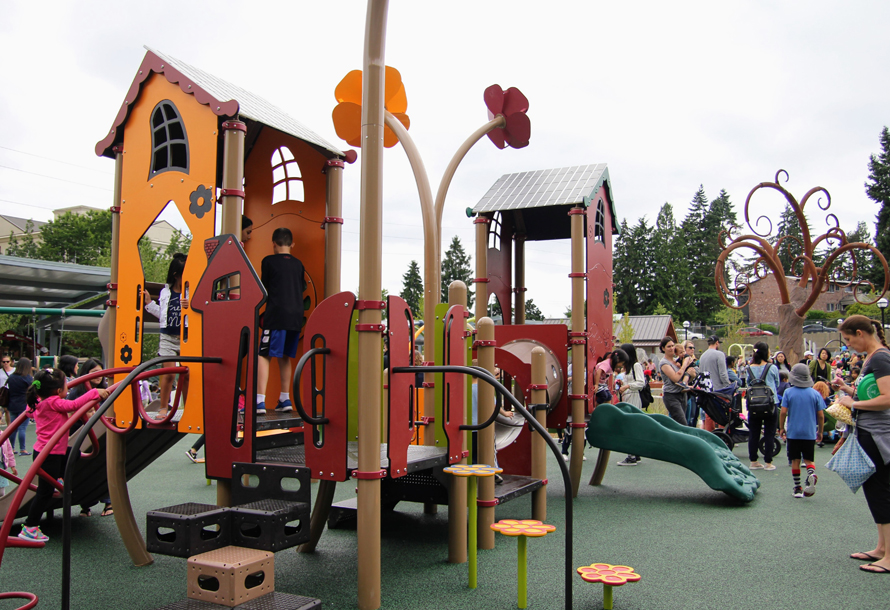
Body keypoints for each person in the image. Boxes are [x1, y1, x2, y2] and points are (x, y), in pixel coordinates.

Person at [17, 368, 109, 542]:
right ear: (59, 391)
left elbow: (29, 411)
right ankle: (30, 527)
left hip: (45, 451)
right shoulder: (53, 403)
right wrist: (94, 392)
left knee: (71, 452)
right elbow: (74, 405)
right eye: (66, 386)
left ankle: (59, 478)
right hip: (49, 454)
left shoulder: (38, 402)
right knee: (44, 493)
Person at [832, 315, 890, 572]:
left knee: (882, 491)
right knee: (875, 490)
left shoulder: (880, 357)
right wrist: (847, 389)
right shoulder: (872, 358)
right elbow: (873, 393)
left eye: (848, 339)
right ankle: (882, 548)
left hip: (880, 435)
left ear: (860, 333)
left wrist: (853, 404)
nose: (847, 345)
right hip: (870, 432)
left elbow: (888, 398)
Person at [256, 228, 307, 415]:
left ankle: (259, 401)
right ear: (292, 244)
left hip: (276, 314)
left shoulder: (268, 261)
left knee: (264, 354)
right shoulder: (298, 264)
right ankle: (285, 398)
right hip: (295, 316)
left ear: (273, 244)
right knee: (285, 356)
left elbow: (264, 288)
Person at [66, 359, 114, 516]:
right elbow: (70, 413)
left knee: (103, 466)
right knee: (82, 469)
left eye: (101, 371)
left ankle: (108, 502)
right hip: (80, 435)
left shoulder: (106, 391)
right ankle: (86, 505)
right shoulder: (76, 392)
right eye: (94, 372)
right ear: (85, 373)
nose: (99, 375)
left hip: (101, 433)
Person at [145, 253, 189, 417]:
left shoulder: (191, 292)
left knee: (187, 374)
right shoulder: (166, 292)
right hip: (168, 337)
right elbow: (163, 314)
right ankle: (163, 407)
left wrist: (190, 306)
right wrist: (149, 304)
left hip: (186, 337)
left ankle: (188, 407)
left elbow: (200, 314)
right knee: (169, 374)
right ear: (176, 275)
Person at [778, 363, 825, 499]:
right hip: (809, 432)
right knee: (809, 459)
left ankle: (798, 488)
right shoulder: (815, 394)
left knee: (795, 460)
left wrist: (781, 427)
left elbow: (783, 412)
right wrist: (820, 431)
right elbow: (821, 415)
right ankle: (811, 473)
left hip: (793, 432)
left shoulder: (788, 392)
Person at [747, 342, 779, 471]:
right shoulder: (772, 367)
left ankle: (753, 461)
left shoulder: (749, 368)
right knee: (769, 433)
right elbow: (776, 383)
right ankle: (768, 462)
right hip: (770, 403)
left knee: (754, 433)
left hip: (754, 404)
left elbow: (748, 383)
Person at [616, 343, 646, 466]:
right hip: (628, 397)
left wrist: (627, 386)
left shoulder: (636, 365)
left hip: (633, 397)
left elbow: (641, 383)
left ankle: (631, 455)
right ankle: (635, 453)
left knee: (630, 426)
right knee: (632, 425)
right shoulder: (628, 367)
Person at [658, 337, 692, 425]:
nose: (672, 348)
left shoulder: (676, 361)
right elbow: (675, 378)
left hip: (682, 394)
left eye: (673, 346)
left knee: (680, 423)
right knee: (682, 423)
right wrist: (684, 365)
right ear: (663, 348)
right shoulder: (664, 363)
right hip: (671, 395)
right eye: (669, 346)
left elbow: (684, 376)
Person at [6, 358, 33, 455]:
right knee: (22, 428)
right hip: (23, 404)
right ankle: (22, 449)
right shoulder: (27, 378)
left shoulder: (12, 377)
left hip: (12, 404)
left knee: (13, 427)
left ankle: (11, 448)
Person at [0, 354, 12, 426]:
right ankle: (9, 425)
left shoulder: (15, 371)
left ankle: (10, 425)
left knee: (9, 410)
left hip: (11, 391)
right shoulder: (0, 371)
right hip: (3, 392)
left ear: (10, 362)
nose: (5, 363)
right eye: (4, 362)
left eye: (7, 361)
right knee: (5, 409)